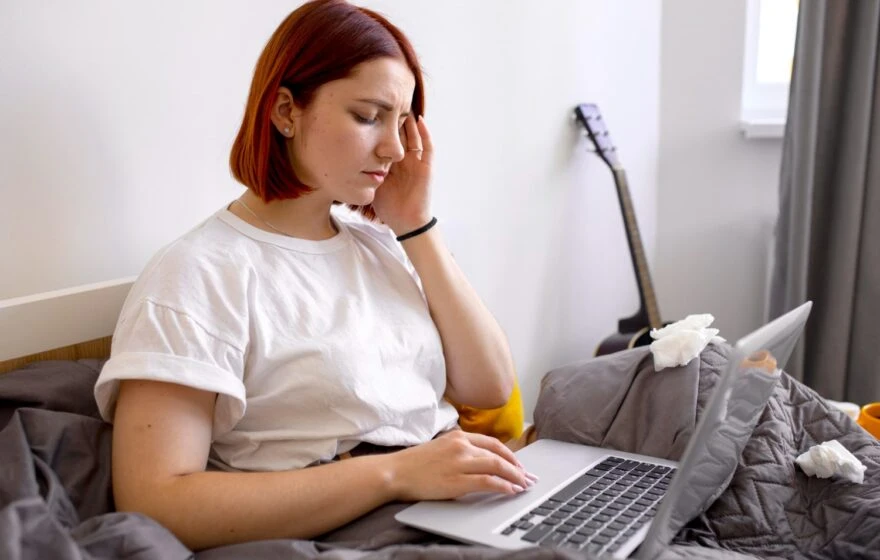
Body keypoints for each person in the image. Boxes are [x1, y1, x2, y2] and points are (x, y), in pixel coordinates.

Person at [94, 0, 536, 551]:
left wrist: (416, 225)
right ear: (284, 111)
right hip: (362, 524)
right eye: (368, 116)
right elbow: (157, 500)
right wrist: (396, 474)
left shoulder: (383, 244)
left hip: (455, 495)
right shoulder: (200, 272)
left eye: (402, 123)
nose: (395, 149)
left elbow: (489, 387)